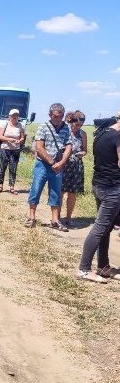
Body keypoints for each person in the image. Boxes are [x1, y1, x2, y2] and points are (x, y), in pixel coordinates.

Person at [77, 114, 120, 283]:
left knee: (106, 228)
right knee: (100, 228)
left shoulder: (102, 134)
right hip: (112, 188)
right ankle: (84, 269)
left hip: (99, 185)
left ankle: (103, 267)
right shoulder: (117, 137)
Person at [25, 103, 72, 231]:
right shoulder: (43, 127)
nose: (58, 119)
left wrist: (61, 163)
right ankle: (31, 217)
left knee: (56, 193)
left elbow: (68, 146)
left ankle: (55, 220)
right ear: (50, 115)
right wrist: (52, 163)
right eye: (55, 116)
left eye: (61, 116)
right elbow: (39, 147)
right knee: (36, 189)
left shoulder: (66, 128)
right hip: (43, 164)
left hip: (58, 166)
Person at [61, 110, 87, 227]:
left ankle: (69, 217)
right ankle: (56, 216)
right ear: (71, 122)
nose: (78, 127)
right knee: (60, 191)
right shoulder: (65, 131)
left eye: (81, 125)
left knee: (72, 193)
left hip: (76, 165)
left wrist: (83, 153)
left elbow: (85, 150)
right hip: (63, 164)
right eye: (77, 124)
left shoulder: (83, 134)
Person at [0, 109, 25, 194]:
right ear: (10, 116)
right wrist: (9, 139)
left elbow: (22, 137)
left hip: (15, 149)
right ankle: (0, 186)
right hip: (5, 149)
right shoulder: (5, 124)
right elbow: (0, 136)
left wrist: (20, 140)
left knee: (13, 168)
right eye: (13, 115)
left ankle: (11, 187)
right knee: (2, 167)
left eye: (16, 115)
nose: (15, 117)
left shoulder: (20, 125)